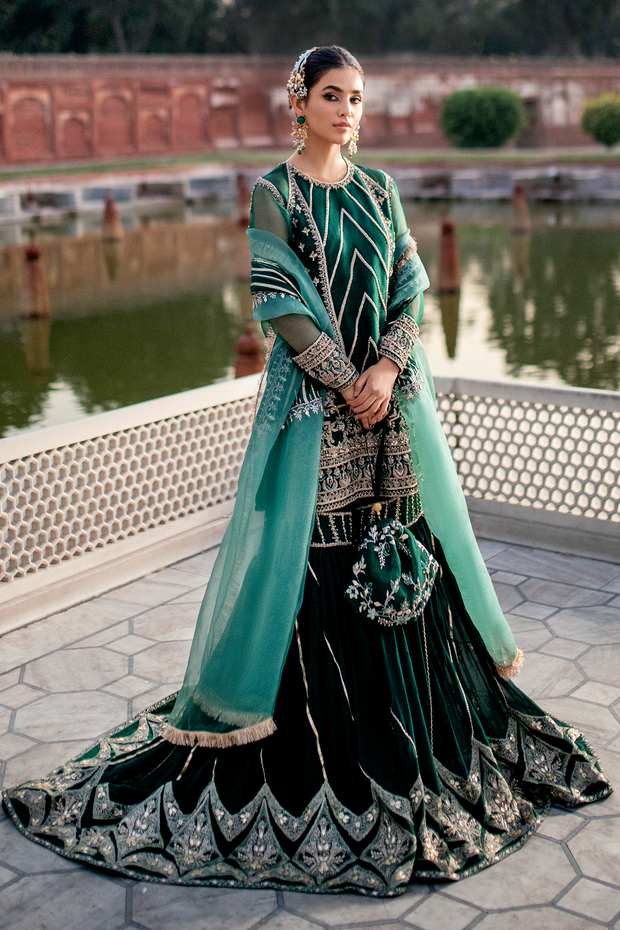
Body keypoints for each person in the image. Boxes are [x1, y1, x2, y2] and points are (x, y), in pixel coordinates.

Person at [3, 46, 611, 896]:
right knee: (319, 559)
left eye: (357, 98)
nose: (348, 111)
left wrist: (389, 371)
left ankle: (422, 736)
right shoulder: (276, 192)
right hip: (317, 411)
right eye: (333, 96)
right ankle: (325, 746)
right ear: (301, 100)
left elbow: (410, 279)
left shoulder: (379, 189)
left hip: (389, 404)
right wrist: (343, 378)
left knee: (400, 547)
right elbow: (273, 293)